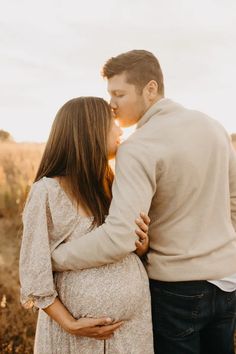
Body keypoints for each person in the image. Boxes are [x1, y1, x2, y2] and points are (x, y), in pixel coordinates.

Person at [51, 50, 236, 354]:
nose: (111, 103)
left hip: (177, 291)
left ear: (151, 89)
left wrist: (55, 258)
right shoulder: (214, 127)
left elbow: (119, 236)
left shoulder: (138, 147)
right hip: (229, 283)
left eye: (119, 94)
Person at [19, 96, 154, 354]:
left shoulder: (112, 182)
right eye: (112, 123)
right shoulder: (46, 192)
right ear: (89, 129)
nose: (120, 130)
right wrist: (70, 324)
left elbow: (127, 246)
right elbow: (34, 271)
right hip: (76, 338)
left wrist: (141, 244)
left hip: (130, 334)